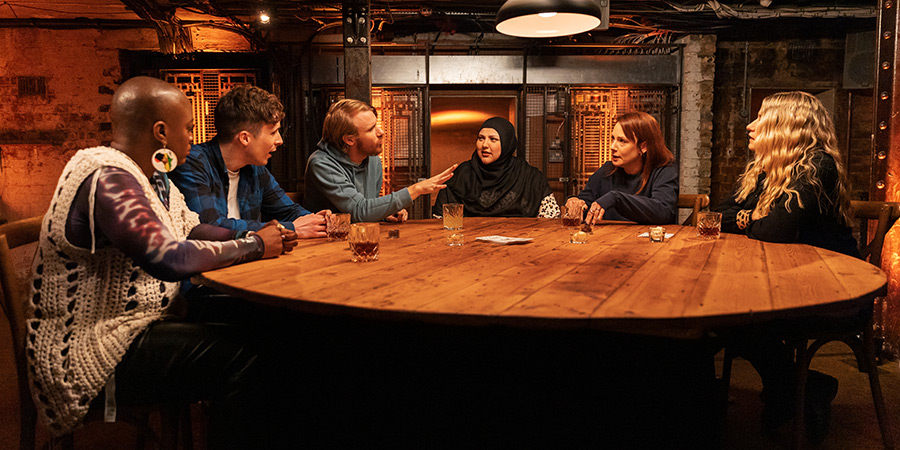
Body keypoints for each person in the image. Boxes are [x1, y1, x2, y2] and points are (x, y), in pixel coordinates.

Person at [25, 76, 295, 448]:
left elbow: (194, 229)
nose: (192, 138)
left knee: (270, 329)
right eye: (187, 129)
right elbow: (166, 257)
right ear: (161, 132)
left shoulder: (155, 180)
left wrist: (266, 236)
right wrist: (253, 245)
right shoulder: (106, 176)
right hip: (94, 345)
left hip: (140, 326)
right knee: (247, 359)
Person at [715, 91, 855, 443]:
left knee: (738, 320)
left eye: (760, 117)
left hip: (829, 288)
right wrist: (754, 217)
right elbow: (716, 216)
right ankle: (802, 389)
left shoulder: (816, 165)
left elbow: (776, 231)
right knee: (726, 317)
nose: (750, 125)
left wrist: (748, 219)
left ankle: (788, 393)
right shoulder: (763, 172)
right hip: (783, 280)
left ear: (784, 126)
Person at [170, 84, 329, 238]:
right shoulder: (192, 163)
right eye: (273, 132)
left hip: (252, 257)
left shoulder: (254, 168)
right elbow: (209, 226)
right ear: (245, 138)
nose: (279, 140)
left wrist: (319, 220)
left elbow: (288, 211)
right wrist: (289, 228)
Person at [304, 98, 456, 223]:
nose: (381, 132)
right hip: (322, 244)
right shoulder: (322, 164)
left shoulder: (373, 160)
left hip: (359, 237)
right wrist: (416, 189)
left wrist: (385, 212)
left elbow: (368, 207)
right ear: (349, 139)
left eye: (376, 125)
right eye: (371, 129)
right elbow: (359, 211)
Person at [431, 117, 559, 218]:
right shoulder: (461, 175)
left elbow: (550, 218)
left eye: (493, 139)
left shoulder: (529, 177)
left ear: (507, 144)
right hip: (467, 246)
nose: (484, 145)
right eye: (481, 138)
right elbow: (441, 219)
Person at [564, 111, 678, 225]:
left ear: (643, 147)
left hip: (650, 241)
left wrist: (616, 198)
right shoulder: (607, 170)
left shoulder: (664, 170)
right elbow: (586, 206)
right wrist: (574, 202)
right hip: (608, 240)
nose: (612, 147)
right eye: (613, 138)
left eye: (622, 141)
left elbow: (663, 212)